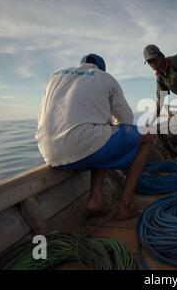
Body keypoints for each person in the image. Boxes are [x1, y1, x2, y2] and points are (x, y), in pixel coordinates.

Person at [36, 54, 152, 220]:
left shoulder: (55, 76)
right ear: (101, 68)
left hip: (49, 153)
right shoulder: (105, 78)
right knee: (147, 137)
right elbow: (126, 121)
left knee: (102, 132)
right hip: (86, 147)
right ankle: (125, 206)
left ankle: (95, 199)